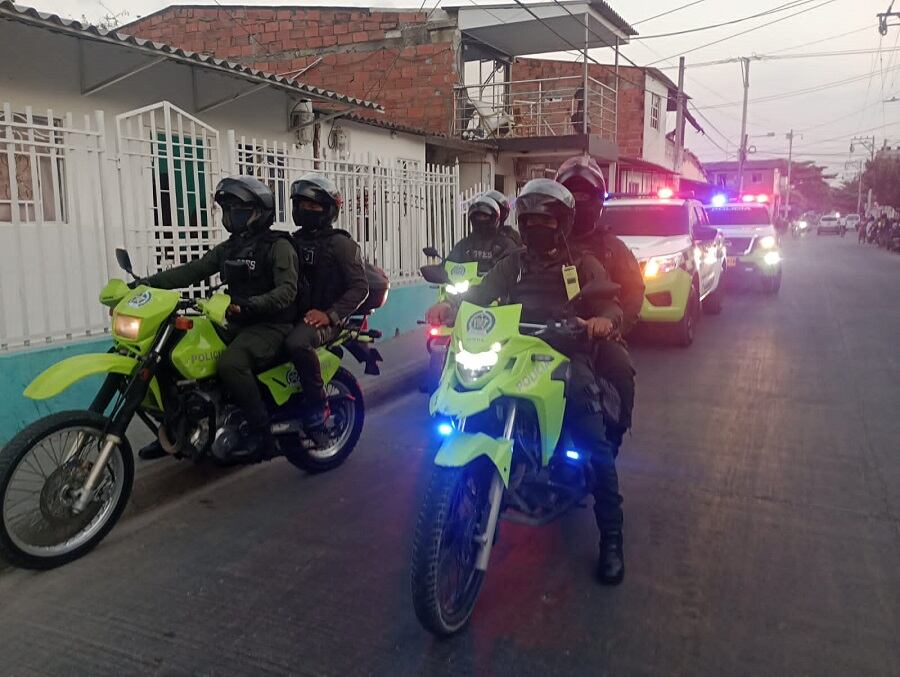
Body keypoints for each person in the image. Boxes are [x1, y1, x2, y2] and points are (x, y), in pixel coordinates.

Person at [426, 178, 627, 585]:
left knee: (592, 439)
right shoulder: (513, 263)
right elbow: (480, 295)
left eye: (546, 220)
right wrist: (450, 307)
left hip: (566, 352)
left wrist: (603, 319)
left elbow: (609, 300)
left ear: (563, 222)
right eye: (530, 220)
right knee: (479, 403)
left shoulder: (581, 264)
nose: (537, 227)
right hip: (514, 349)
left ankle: (612, 538)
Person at [139, 176, 299, 461]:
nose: (230, 215)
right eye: (227, 209)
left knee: (231, 363)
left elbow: (287, 291)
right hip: (236, 320)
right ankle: (173, 431)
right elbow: (194, 270)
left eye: (238, 209)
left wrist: (250, 305)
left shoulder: (278, 246)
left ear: (259, 213)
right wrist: (147, 284)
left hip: (271, 324)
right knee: (168, 354)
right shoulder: (230, 247)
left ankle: (264, 436)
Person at [555, 155, 644, 448]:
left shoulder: (614, 249)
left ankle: (611, 443)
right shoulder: (539, 241)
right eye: (572, 195)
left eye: (585, 196)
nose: (579, 202)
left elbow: (633, 291)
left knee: (620, 373)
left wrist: (612, 327)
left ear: (598, 201)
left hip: (595, 336)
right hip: (543, 331)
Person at [285, 174, 369, 446]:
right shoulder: (291, 242)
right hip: (295, 314)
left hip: (326, 320)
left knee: (297, 344)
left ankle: (318, 407)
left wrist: (330, 315)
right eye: (302, 206)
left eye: (314, 207)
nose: (306, 212)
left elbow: (359, 288)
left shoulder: (341, 245)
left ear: (329, 210)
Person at [447, 193, 520, 272]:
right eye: (478, 216)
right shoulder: (465, 244)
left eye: (485, 216)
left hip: (496, 283)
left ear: (495, 218)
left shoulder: (505, 244)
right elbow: (448, 263)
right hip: (466, 283)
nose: (481, 220)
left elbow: (514, 269)